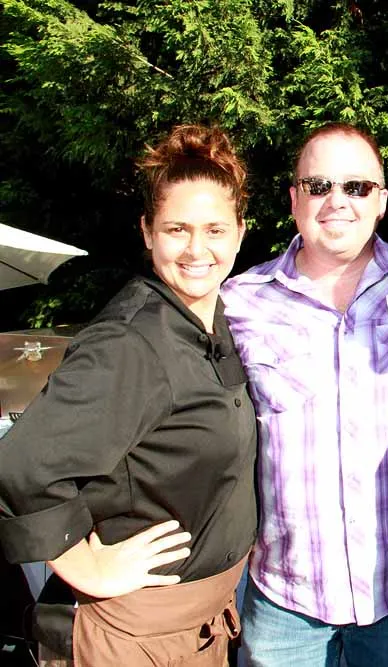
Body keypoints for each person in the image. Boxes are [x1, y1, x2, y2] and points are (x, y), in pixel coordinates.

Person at [0, 124, 256, 666]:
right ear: (147, 232)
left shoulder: (214, 323)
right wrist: (84, 565)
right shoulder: (130, 341)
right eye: (177, 229)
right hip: (135, 638)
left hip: (199, 630)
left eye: (214, 229)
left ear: (239, 232)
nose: (197, 249)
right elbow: (21, 466)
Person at [222, 123, 388, 667]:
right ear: (294, 199)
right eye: (318, 185)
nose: (337, 201)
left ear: (382, 201)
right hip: (284, 601)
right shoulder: (238, 302)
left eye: (357, 187)